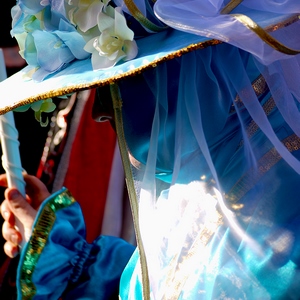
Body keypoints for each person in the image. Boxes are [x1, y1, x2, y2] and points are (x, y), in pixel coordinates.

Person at [0, 0, 300, 299]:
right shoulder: (203, 187)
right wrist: (66, 262)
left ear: (193, 69)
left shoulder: (288, 244)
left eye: (124, 80)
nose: (100, 112)